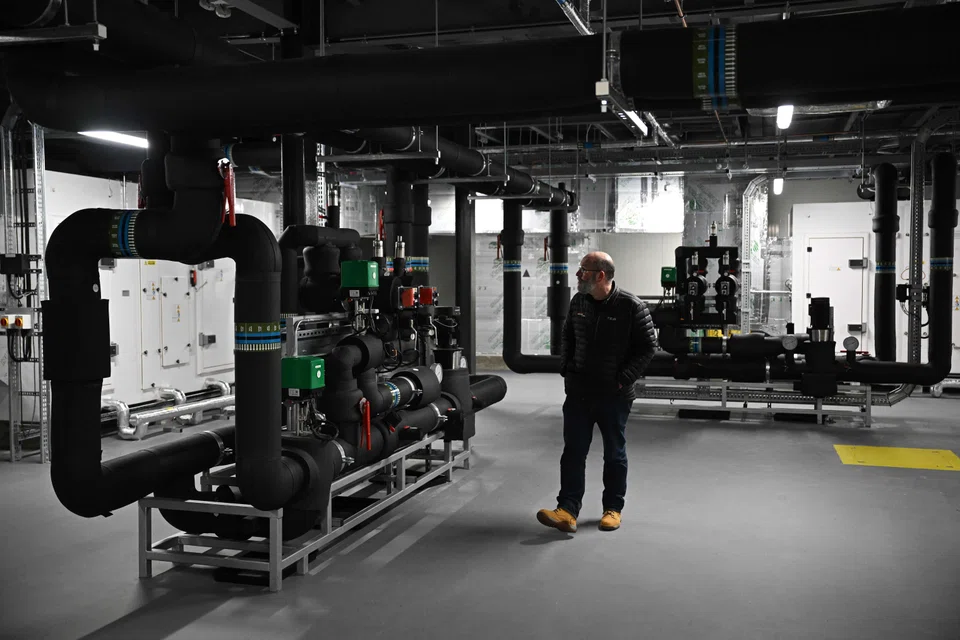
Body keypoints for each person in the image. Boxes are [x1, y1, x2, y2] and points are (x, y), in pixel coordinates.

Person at [537, 251, 658, 533]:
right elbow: (568, 335)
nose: (578, 275)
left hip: (614, 396)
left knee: (614, 453)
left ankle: (613, 509)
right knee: (573, 452)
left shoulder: (631, 306)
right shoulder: (579, 301)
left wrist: (622, 380)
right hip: (578, 393)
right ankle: (567, 510)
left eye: (583, 270)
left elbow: (648, 347)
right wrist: (566, 368)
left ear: (601, 275)